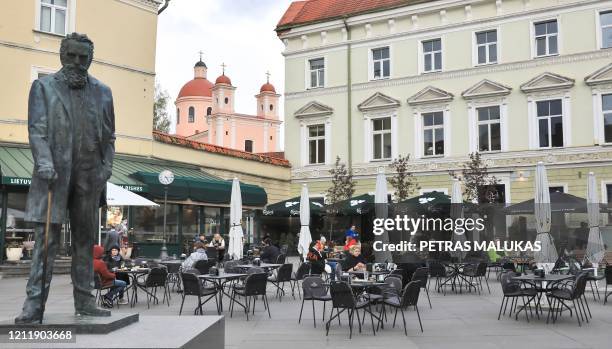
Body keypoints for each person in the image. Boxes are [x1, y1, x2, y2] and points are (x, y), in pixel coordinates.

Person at [15, 33, 116, 323]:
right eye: (72, 56)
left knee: (85, 242)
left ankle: (85, 301)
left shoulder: (103, 92)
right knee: (46, 242)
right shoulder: (43, 87)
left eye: (83, 57)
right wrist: (44, 161)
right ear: (62, 55)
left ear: (90, 58)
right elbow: (37, 130)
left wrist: (106, 168)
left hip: (89, 176)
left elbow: (109, 137)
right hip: (54, 177)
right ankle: (34, 304)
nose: (77, 62)